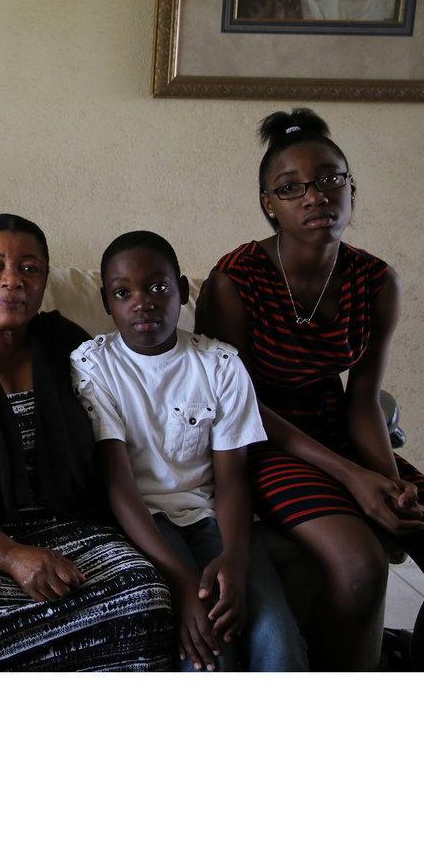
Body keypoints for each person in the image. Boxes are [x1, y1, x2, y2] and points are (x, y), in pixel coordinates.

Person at [197, 108, 424, 671]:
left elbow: (363, 401)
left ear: (351, 187)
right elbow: (237, 405)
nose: (314, 197)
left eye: (329, 179)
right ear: (269, 203)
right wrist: (351, 477)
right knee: (361, 564)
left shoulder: (376, 281)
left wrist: (387, 481)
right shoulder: (234, 281)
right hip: (260, 439)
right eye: (291, 188)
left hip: (336, 426)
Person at [0, 215, 174, 671]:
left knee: (145, 599)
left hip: (71, 525)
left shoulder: (71, 345)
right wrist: (10, 553)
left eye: (29, 268)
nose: (11, 281)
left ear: (44, 279)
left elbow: (123, 429)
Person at [71, 231, 306, 672]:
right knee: (208, 653)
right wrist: (181, 581)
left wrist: (234, 558)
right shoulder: (93, 366)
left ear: (182, 288)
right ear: (107, 301)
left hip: (211, 516)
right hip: (140, 524)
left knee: (276, 636)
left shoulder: (220, 364)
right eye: (124, 292)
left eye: (158, 287)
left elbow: (232, 478)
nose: (143, 302)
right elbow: (120, 486)